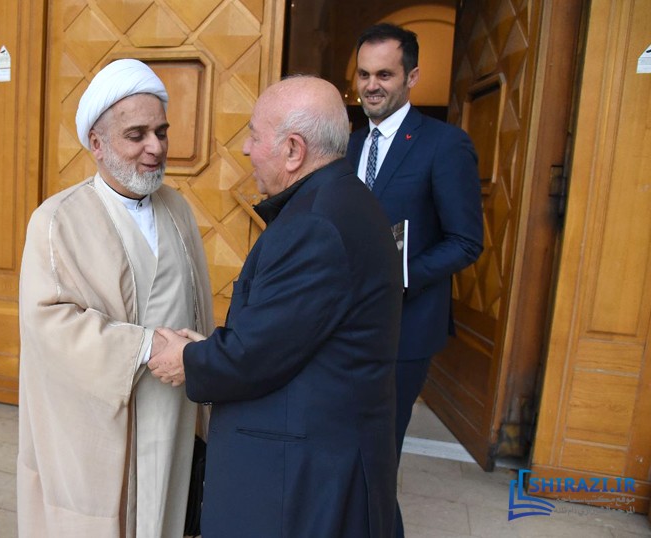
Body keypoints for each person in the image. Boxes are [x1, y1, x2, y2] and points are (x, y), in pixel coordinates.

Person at [148, 76, 403, 537]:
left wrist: (186, 358)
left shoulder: (315, 224)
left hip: (303, 478)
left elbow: (256, 355)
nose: (246, 149)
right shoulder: (339, 199)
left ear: (293, 150)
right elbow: (290, 334)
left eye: (254, 135)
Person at [16, 59, 213, 538]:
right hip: (99, 423)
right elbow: (50, 326)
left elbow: (199, 305)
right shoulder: (57, 220)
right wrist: (145, 347)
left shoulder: (178, 208)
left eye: (161, 132)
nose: (155, 148)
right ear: (98, 145)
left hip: (173, 409)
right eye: (136, 135)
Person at [346, 23, 484, 537]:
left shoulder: (445, 145)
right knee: (349, 443)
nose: (371, 85)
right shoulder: (349, 145)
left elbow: (465, 241)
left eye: (384, 74)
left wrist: (397, 278)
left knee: (379, 452)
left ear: (412, 77)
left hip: (405, 328)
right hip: (345, 324)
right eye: (364, 74)